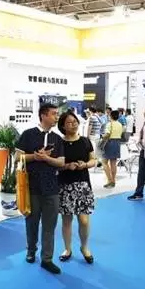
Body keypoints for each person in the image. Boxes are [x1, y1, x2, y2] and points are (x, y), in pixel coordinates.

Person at [15, 103, 65, 275]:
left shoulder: (57, 139)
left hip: (52, 187)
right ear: (43, 115)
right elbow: (17, 157)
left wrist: (47, 159)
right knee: (31, 222)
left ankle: (47, 259)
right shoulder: (28, 134)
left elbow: (61, 162)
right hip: (31, 187)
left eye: (57, 114)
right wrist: (35, 157)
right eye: (53, 114)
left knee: (50, 225)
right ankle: (31, 250)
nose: (56, 117)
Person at [57, 111, 97, 265]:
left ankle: (84, 247)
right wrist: (67, 166)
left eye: (75, 122)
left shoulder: (85, 141)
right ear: (63, 126)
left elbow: (93, 160)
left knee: (84, 221)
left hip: (83, 185)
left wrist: (85, 164)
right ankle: (67, 249)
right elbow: (55, 165)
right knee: (66, 220)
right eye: (69, 122)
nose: (73, 125)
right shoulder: (59, 143)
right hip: (64, 185)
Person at [100, 109, 123, 188]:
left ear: (111, 116)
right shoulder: (120, 124)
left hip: (109, 143)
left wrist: (102, 138)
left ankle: (109, 180)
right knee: (113, 163)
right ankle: (113, 181)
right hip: (117, 143)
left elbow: (107, 134)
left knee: (104, 162)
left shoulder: (109, 124)